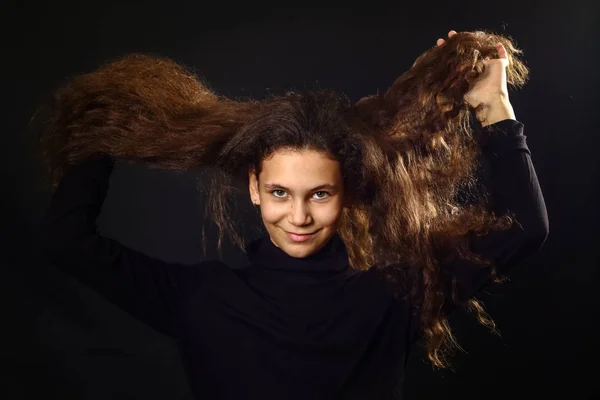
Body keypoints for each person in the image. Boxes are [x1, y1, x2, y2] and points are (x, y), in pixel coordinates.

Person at [39, 30, 548, 399]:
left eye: (320, 194)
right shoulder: (200, 298)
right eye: (281, 192)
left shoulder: (393, 295)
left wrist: (493, 105)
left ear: (345, 194)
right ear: (255, 189)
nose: (299, 216)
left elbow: (526, 229)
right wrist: (105, 125)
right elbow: (68, 242)